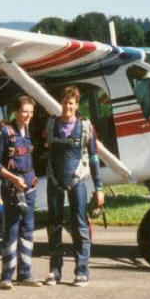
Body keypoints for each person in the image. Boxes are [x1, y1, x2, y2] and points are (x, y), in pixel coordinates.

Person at [44, 86, 104, 287]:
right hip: (54, 182)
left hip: (77, 182)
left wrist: (99, 187)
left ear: (76, 105)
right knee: (54, 226)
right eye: (64, 102)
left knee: (80, 226)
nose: (67, 106)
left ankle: (82, 271)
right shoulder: (52, 124)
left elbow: (94, 157)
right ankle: (55, 270)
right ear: (60, 104)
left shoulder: (86, 126)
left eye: (71, 103)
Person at [0, 95, 41, 289]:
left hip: (29, 187)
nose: (28, 116)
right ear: (16, 112)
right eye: (25, 111)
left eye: (31, 113)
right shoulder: (5, 132)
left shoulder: (29, 132)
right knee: (11, 230)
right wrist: (13, 179)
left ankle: (25, 274)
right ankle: (7, 276)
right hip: (12, 188)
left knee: (27, 229)